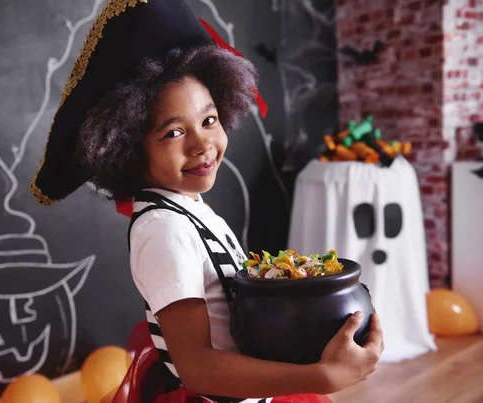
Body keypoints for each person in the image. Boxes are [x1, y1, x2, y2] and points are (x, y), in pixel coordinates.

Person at [31, 1, 384, 402]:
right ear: (129, 150)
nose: (202, 144)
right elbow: (196, 368)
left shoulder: (188, 208)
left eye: (209, 120)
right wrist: (322, 377)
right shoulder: (164, 228)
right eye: (173, 133)